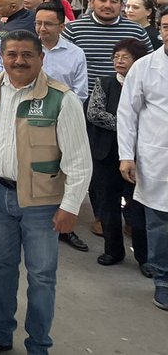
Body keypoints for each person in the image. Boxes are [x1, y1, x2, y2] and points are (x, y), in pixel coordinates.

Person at [0, 30, 91, 355]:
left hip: (42, 204)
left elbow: (80, 161)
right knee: (0, 268)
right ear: (3, 57)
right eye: (12, 54)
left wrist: (70, 207)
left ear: (41, 58)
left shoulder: (61, 99)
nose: (19, 61)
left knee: (41, 277)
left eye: (27, 55)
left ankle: (38, 345)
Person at [88, 38, 150, 274]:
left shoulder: (145, 83)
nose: (119, 61)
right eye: (116, 56)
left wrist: (130, 127)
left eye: (125, 57)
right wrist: (127, 124)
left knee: (137, 207)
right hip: (106, 154)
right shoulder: (104, 83)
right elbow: (94, 113)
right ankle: (113, 250)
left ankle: (145, 257)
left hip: (138, 156)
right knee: (107, 205)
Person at [118, 26, 168, 309]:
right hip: (156, 156)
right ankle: (163, 279)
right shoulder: (145, 67)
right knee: (159, 222)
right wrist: (127, 155)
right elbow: (127, 113)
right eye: (166, 27)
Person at [64, 0, 150, 87]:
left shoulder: (136, 31)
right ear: (91, 2)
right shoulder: (73, 29)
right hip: (82, 97)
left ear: (122, 5)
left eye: (114, 1)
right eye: (102, 0)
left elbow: (149, 66)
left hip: (124, 96)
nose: (108, 5)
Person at [34, 3, 89, 102]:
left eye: (48, 24)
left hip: (64, 109)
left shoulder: (76, 53)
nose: (42, 28)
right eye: (38, 23)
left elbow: (80, 92)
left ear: (62, 27)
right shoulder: (28, 50)